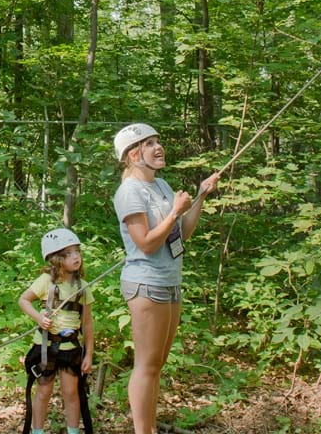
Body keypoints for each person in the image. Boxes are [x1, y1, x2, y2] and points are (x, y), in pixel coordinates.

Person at [112, 124, 220, 434]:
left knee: (157, 365)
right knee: (146, 365)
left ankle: (150, 429)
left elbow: (181, 233)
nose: (159, 148)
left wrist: (199, 196)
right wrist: (174, 211)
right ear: (134, 154)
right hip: (146, 283)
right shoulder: (129, 191)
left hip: (170, 281)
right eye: (150, 144)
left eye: (158, 141)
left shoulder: (160, 185)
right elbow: (145, 242)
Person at [17, 228, 95, 434]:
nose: (76, 257)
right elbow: (23, 300)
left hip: (70, 348)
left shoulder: (84, 287)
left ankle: (73, 431)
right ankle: (37, 431)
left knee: (71, 392)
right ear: (56, 259)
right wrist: (39, 318)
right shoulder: (46, 282)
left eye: (77, 251)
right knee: (44, 390)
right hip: (45, 346)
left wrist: (89, 353)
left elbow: (87, 323)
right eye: (68, 253)